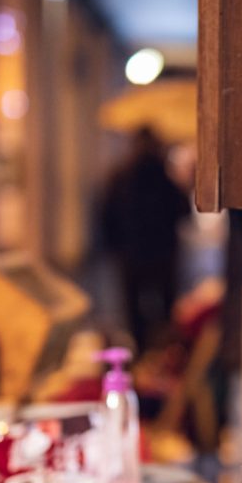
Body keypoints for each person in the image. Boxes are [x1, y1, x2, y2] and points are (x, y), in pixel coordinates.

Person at [103, 127, 191, 351]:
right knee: (165, 306)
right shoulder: (164, 177)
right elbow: (184, 212)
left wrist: (114, 247)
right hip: (163, 254)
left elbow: (107, 214)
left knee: (134, 309)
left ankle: (141, 350)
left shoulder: (121, 176)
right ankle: (164, 352)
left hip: (131, 255)